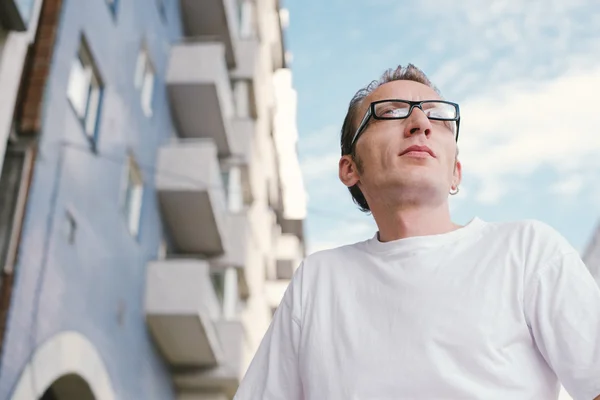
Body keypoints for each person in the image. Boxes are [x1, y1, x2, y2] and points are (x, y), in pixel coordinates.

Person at [233, 64, 600, 400]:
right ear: (349, 169)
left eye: (439, 117)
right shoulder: (318, 280)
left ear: (455, 171)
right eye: (391, 112)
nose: (421, 123)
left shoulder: (527, 251)